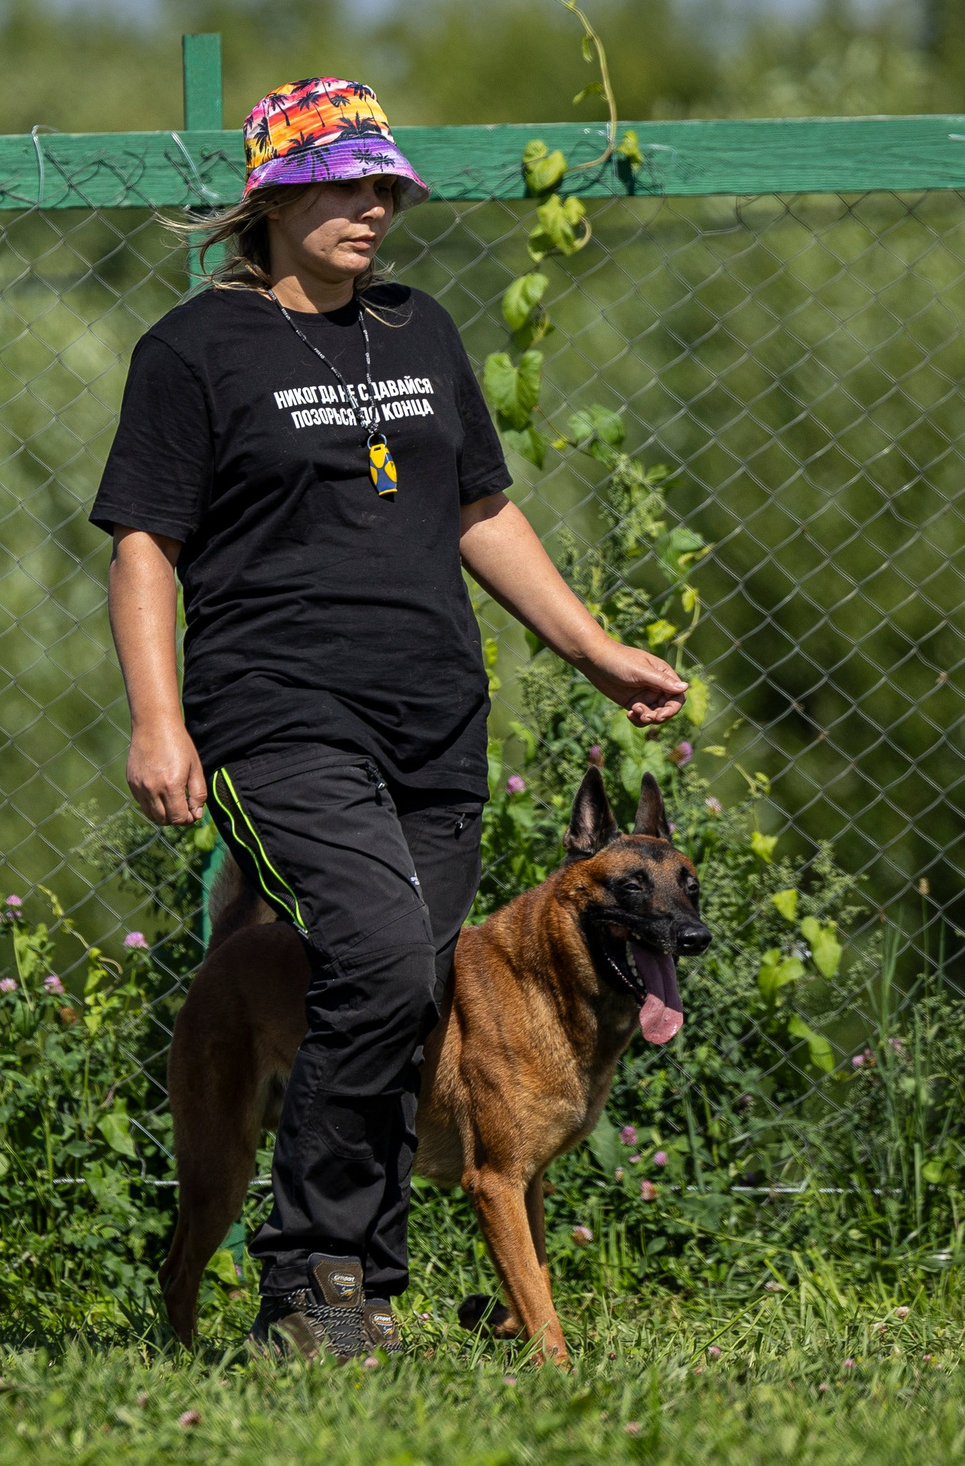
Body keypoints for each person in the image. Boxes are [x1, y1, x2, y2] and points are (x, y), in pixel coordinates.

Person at [89, 77, 687, 1360]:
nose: (376, 207)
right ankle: (310, 1286)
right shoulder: (192, 351)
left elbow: (479, 510)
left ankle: (363, 1285)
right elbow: (145, 542)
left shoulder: (418, 331)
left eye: (387, 187)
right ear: (275, 196)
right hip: (279, 713)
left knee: (412, 990)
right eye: (350, 185)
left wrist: (587, 647)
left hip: (432, 724)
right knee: (373, 952)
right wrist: (157, 719)